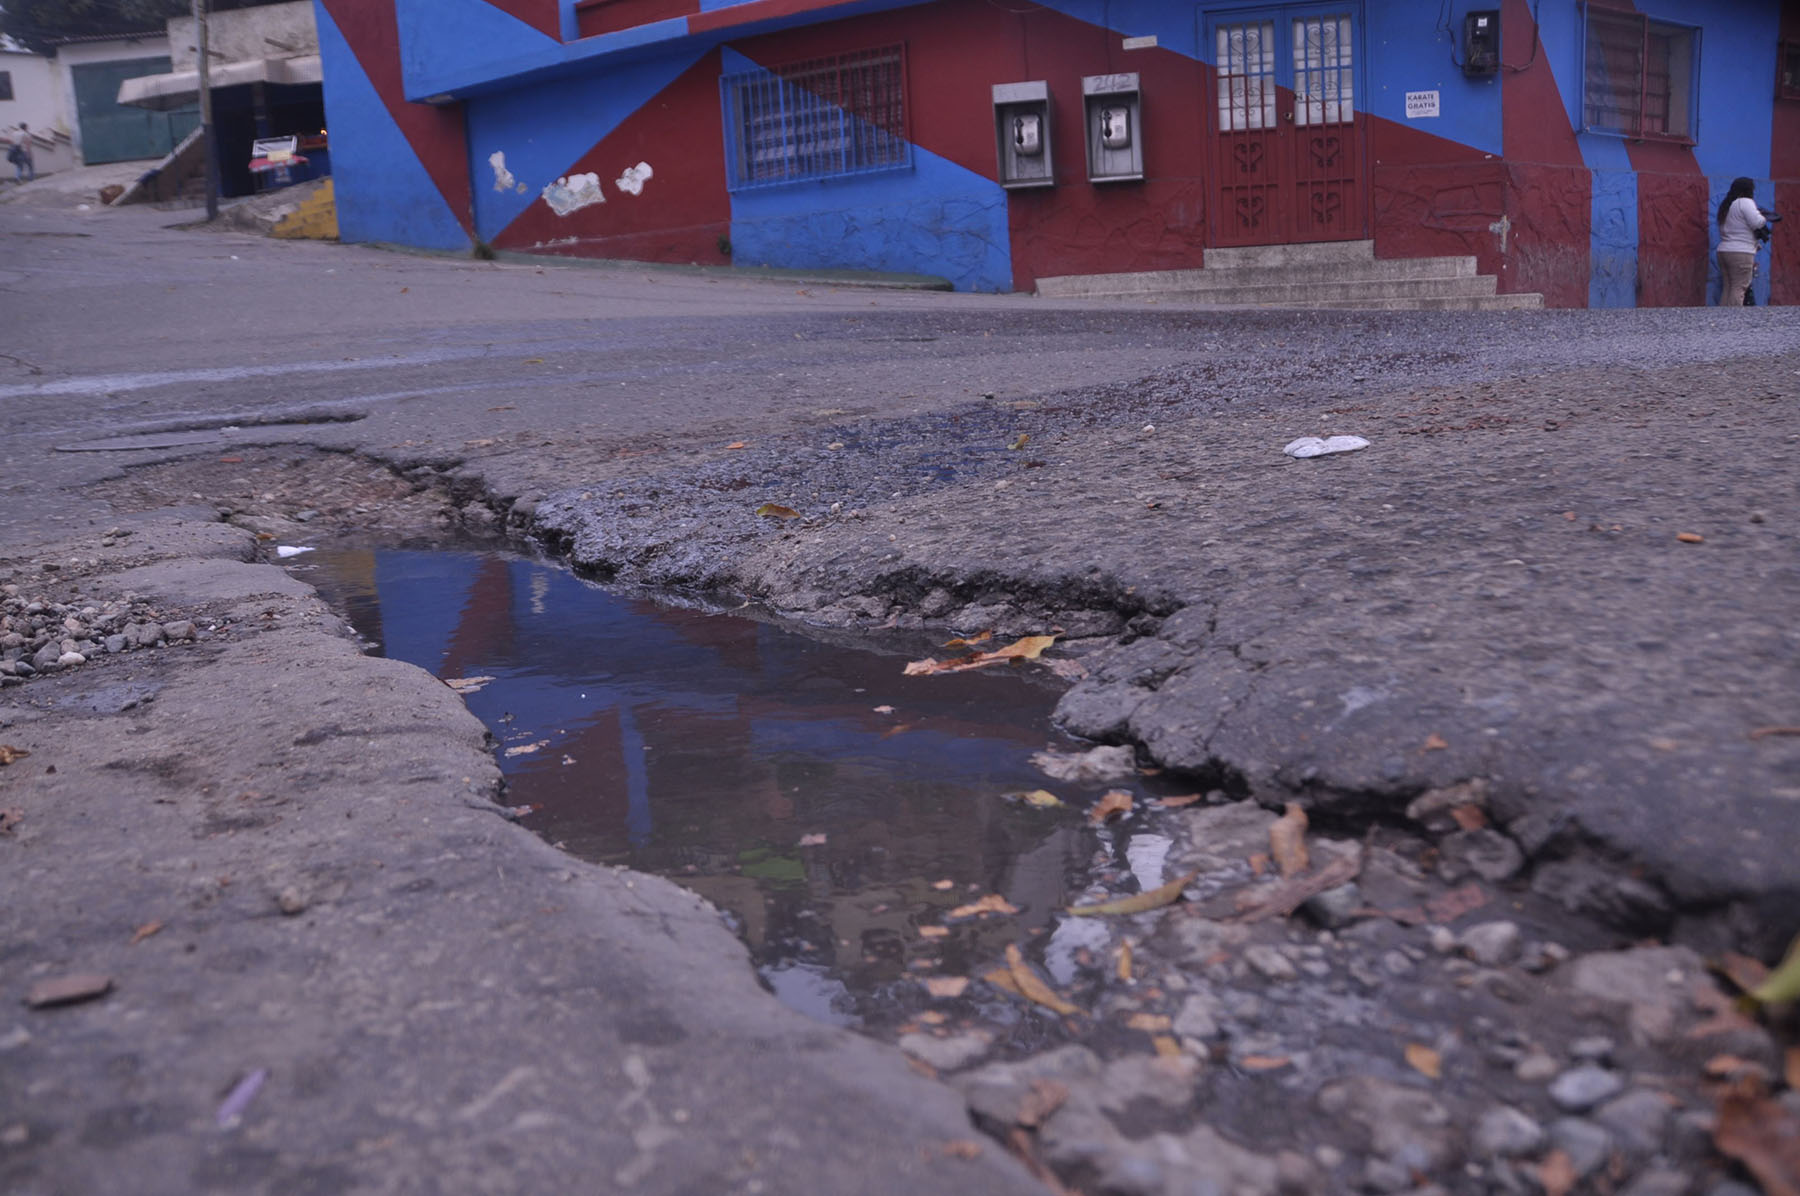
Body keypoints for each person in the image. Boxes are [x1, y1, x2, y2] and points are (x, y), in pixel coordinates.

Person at [1715, 176, 1767, 307]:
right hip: (1741, 252)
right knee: (1739, 288)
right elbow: (1757, 223)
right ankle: (1734, 322)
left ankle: (1720, 320)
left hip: (1724, 251)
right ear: (1749, 190)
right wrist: (1764, 216)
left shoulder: (1727, 205)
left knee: (1728, 288)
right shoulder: (1745, 202)